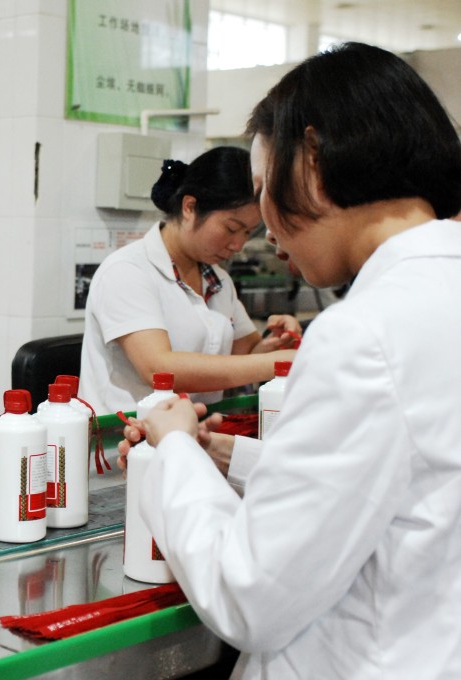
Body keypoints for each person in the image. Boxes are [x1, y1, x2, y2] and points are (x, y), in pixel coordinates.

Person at [126, 42, 461, 677]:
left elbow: (249, 591)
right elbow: (400, 480)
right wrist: (230, 456)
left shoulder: (363, 334)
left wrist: (175, 450)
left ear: (311, 160)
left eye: (262, 192)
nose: (267, 231)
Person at [79, 146, 299, 415]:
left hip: (194, 430)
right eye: (231, 228)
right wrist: (277, 362)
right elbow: (158, 369)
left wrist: (273, 344)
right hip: (123, 435)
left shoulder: (218, 280)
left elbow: (246, 354)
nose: (238, 245)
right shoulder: (127, 271)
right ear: (190, 207)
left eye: (247, 232)